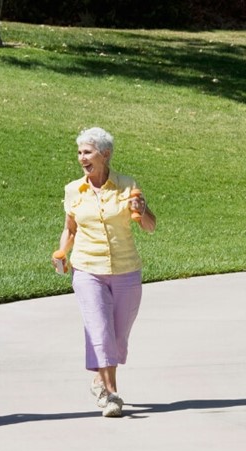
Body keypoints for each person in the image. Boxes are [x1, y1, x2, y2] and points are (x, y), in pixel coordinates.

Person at [54, 127, 156, 418]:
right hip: (87, 269)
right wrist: (62, 253)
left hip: (126, 270)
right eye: (79, 153)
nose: (81, 158)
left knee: (119, 336)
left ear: (105, 154)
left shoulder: (127, 185)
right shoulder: (73, 189)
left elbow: (149, 226)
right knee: (100, 331)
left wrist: (144, 209)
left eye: (87, 152)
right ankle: (112, 395)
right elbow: (69, 229)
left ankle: (100, 378)